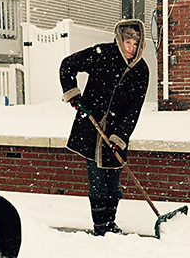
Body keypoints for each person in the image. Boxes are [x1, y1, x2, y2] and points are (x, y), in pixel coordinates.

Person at [60, 19, 149, 235]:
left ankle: (110, 224)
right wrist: (73, 93)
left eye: (136, 45)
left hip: (117, 134)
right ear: (119, 39)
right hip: (92, 128)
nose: (131, 49)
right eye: (128, 42)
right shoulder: (102, 54)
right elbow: (67, 65)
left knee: (114, 184)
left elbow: (133, 110)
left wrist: (120, 136)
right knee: (98, 181)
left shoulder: (141, 70)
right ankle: (100, 227)